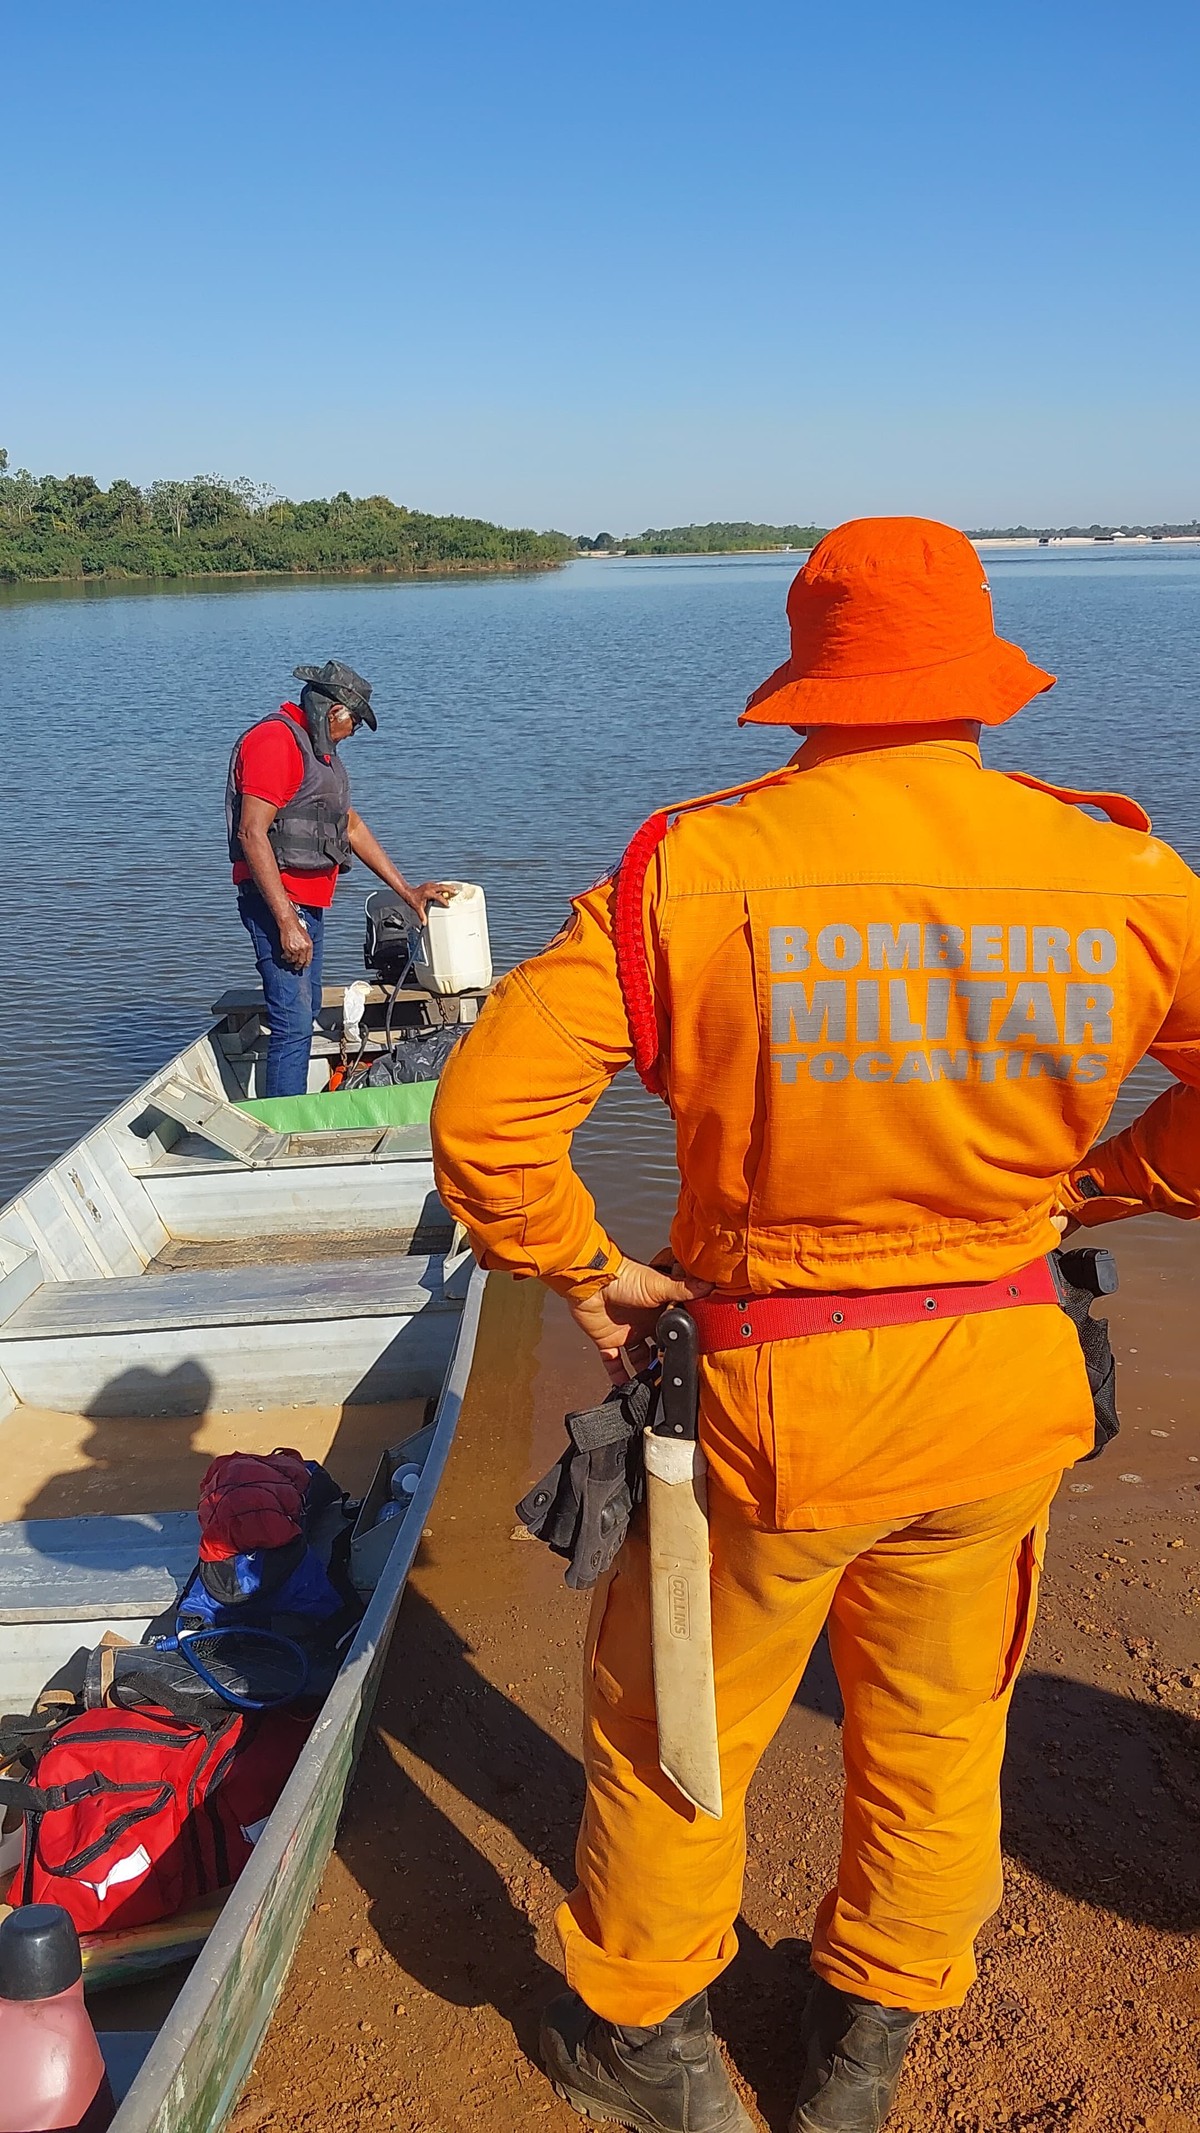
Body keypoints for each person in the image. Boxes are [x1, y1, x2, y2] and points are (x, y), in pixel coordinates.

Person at [431, 518, 1200, 2133]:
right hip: (1003, 1388)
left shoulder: (695, 868)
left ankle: (647, 2041)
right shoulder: (1124, 871)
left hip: (771, 1406)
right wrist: (1110, 1181)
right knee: (938, 1730)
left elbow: (493, 1117)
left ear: (812, 678)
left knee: (671, 1723)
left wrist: (584, 1269)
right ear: (978, 677)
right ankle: (862, 2047)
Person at [226, 658, 450, 1097]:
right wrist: (287, 922)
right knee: (292, 1021)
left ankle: (289, 1113)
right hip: (278, 901)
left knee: (301, 1014)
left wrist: (406, 892)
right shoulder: (275, 742)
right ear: (333, 713)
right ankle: (285, 1126)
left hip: (307, 905)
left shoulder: (317, 749)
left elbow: (349, 825)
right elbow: (252, 832)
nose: (353, 736)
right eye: (354, 724)